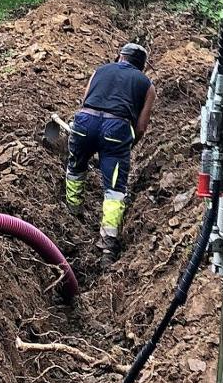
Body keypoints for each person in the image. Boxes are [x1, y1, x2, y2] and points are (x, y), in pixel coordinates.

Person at [64, 42, 156, 263]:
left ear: (119, 57)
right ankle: (107, 246)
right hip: (116, 130)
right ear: (141, 66)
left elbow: (85, 101)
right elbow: (141, 127)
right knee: (114, 189)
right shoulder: (147, 85)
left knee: (76, 168)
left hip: (84, 123)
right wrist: (125, 146)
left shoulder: (99, 71)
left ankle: (72, 214)